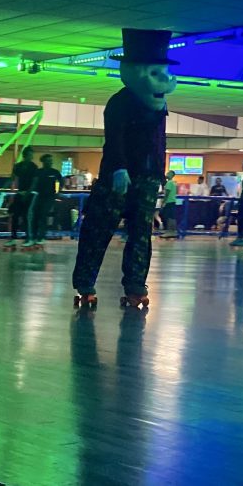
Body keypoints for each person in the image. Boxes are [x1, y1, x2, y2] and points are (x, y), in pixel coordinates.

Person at [72, 29, 177, 310]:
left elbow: (159, 141)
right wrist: (118, 168)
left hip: (146, 179)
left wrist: (158, 172)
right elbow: (114, 138)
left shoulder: (159, 105)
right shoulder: (120, 103)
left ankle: (135, 285)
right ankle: (85, 283)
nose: (165, 81)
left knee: (141, 234)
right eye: (155, 73)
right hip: (117, 179)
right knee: (98, 230)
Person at [28, 153, 63, 248]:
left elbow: (60, 182)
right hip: (39, 196)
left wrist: (57, 192)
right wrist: (30, 193)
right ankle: (34, 236)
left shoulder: (55, 172)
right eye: (48, 161)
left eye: (51, 161)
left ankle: (41, 236)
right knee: (35, 215)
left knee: (43, 214)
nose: (50, 162)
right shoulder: (38, 172)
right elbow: (34, 183)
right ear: (43, 162)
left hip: (50, 196)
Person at [5, 146, 38, 248]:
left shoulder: (34, 167)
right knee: (15, 215)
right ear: (25, 155)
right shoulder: (18, 166)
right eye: (29, 155)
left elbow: (34, 183)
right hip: (20, 193)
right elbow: (12, 179)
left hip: (30, 194)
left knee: (26, 216)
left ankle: (29, 238)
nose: (31, 157)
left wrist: (27, 194)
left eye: (31, 155)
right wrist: (2, 189)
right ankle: (13, 238)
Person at [158, 171, 178, 238]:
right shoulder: (172, 183)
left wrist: (163, 202)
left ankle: (169, 232)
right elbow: (165, 191)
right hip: (172, 202)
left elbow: (167, 194)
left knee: (168, 217)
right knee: (172, 217)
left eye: (168, 173)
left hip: (169, 202)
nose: (166, 174)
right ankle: (173, 232)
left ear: (171, 175)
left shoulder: (169, 183)